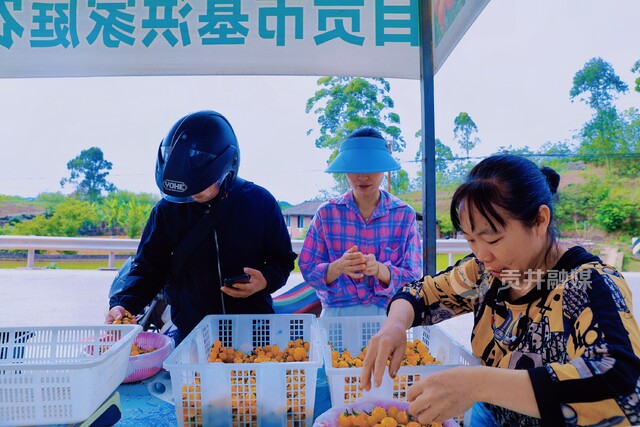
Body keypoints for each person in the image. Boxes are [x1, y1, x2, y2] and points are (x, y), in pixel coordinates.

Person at [361, 154, 640, 427]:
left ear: (540, 220)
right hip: (493, 414)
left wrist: (478, 384)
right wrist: (395, 325)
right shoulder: (484, 275)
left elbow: (621, 381)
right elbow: (422, 293)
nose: (482, 255)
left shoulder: (587, 283)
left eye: (493, 240)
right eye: (471, 240)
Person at [106, 110, 297, 344]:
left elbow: (282, 260)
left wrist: (265, 280)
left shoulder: (259, 202)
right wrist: (123, 305)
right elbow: (148, 269)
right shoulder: (167, 210)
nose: (191, 196)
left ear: (226, 169)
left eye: (199, 188)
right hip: (192, 333)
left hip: (253, 329)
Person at [298, 127, 422, 316]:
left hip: (388, 313)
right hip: (336, 313)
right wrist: (338, 266)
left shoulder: (404, 215)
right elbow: (308, 270)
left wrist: (380, 270)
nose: (363, 177)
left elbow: (414, 277)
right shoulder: (326, 213)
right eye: (355, 167)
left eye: (371, 167)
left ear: (384, 168)